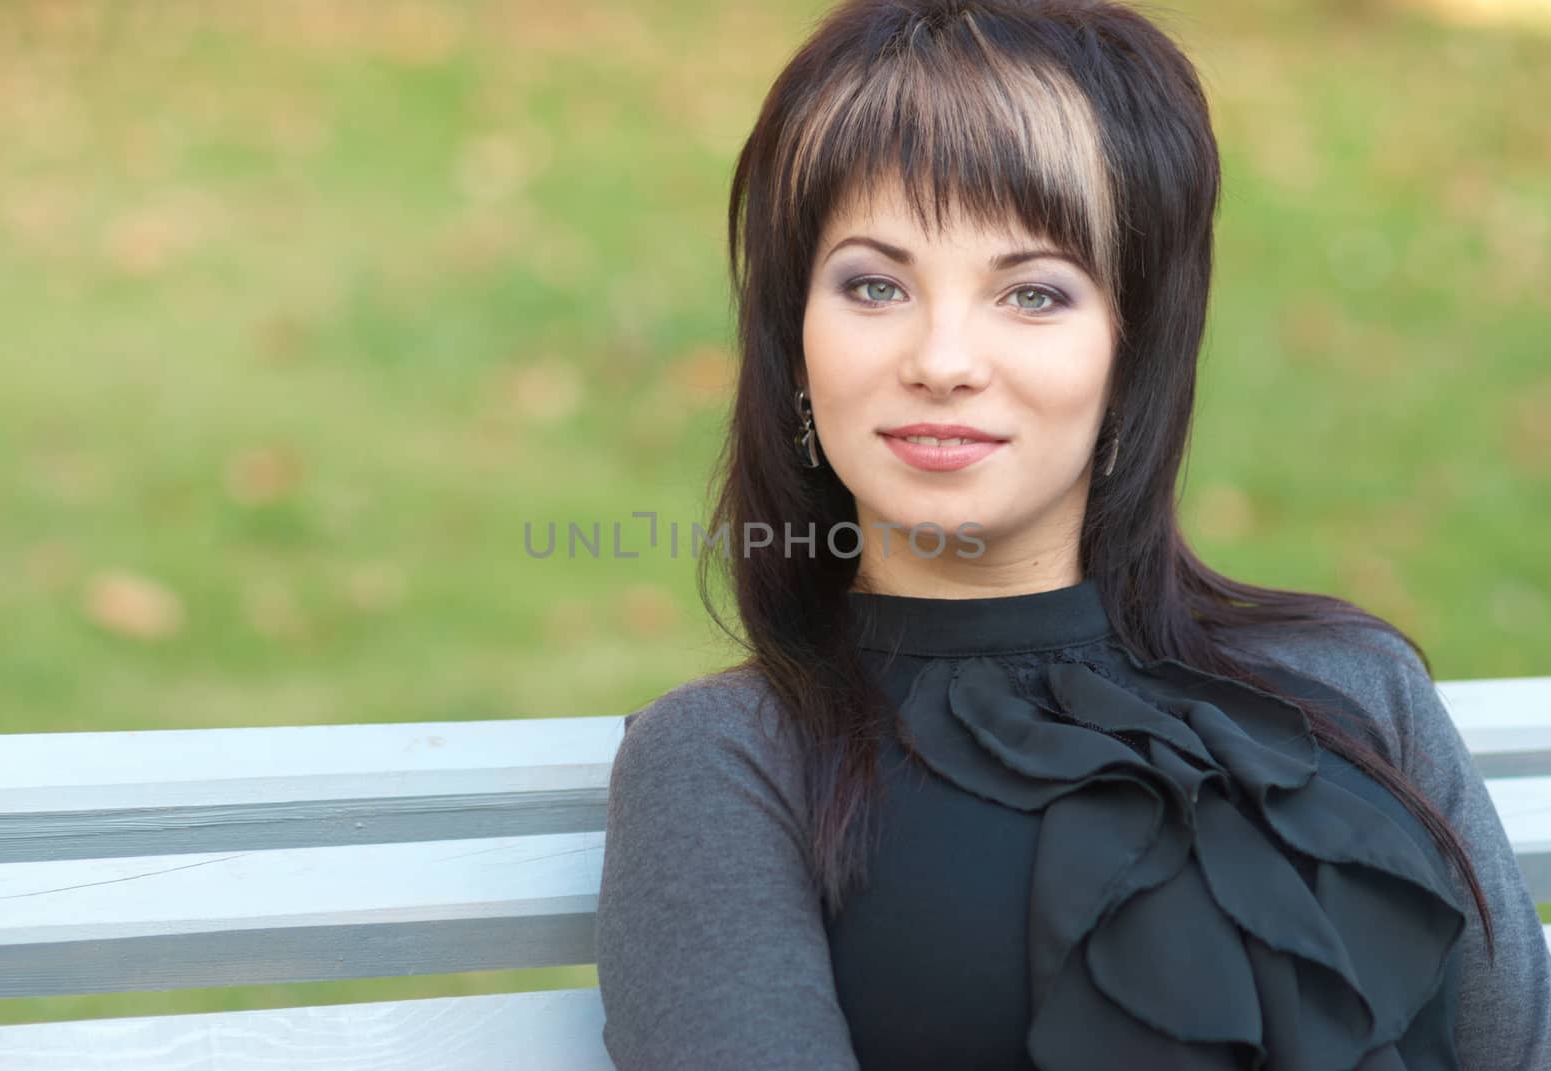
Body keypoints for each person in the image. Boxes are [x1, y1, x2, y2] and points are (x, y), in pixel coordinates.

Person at [594, 1, 1551, 1067]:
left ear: (1132, 349)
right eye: (874, 285)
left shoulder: (1353, 688)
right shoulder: (732, 763)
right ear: (794, 348)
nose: (943, 359)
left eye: (1033, 293)